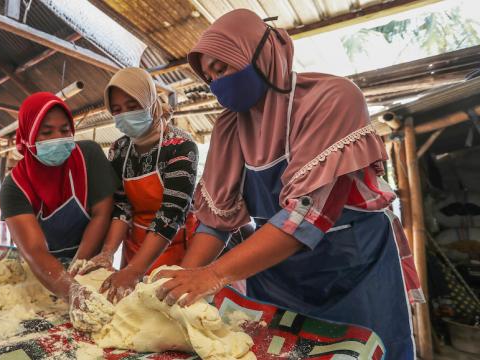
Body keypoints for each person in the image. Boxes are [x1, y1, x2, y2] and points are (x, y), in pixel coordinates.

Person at [154, 10, 423, 359]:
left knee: (365, 350)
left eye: (221, 69)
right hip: (275, 270)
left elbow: (306, 215)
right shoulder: (229, 128)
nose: (216, 85)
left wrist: (214, 275)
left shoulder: (331, 99)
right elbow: (216, 220)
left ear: (257, 53)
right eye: (209, 77)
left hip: (353, 268)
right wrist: (184, 276)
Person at [75, 67, 198, 303]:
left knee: (170, 313)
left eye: (133, 106)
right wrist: (107, 253)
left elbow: (172, 212)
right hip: (135, 245)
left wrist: (134, 270)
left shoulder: (180, 145)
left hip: (176, 245)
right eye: (117, 110)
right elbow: (122, 206)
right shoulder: (120, 149)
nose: (125, 115)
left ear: (149, 101)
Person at [0, 92, 118, 300]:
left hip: (90, 263)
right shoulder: (15, 186)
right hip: (45, 271)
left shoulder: (87, 156)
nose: (58, 138)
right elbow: (35, 251)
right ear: (29, 134)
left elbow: (102, 213)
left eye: (65, 130)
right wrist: (70, 289)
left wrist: (79, 266)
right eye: (46, 132)